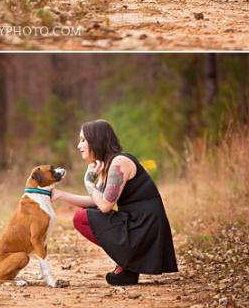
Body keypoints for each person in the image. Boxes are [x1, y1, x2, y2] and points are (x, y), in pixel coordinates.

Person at [51, 119, 178, 286]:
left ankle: (127, 263)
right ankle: (128, 267)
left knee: (81, 218)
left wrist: (88, 183)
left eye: (83, 140)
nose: (78, 145)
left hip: (145, 227)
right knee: (86, 215)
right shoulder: (108, 164)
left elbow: (104, 206)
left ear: (96, 140)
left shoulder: (120, 163)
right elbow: (95, 201)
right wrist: (60, 195)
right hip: (137, 223)